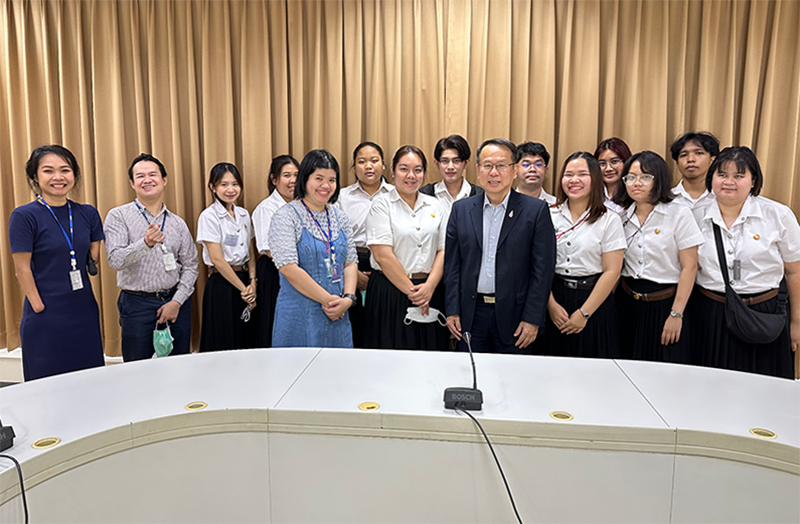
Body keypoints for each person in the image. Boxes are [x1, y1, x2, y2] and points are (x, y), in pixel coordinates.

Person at [691, 146, 800, 378]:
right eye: (722, 174)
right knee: (710, 386)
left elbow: (794, 272)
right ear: (711, 179)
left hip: (764, 314)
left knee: (762, 391)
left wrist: (796, 323)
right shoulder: (695, 215)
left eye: (739, 176)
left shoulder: (778, 215)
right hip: (711, 314)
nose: (729, 181)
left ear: (753, 181)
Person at [445, 139, 555, 354]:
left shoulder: (536, 211)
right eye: (487, 165)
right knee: (470, 379)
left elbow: (542, 271)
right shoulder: (461, 210)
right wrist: (452, 310)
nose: (493, 172)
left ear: (514, 170)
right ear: (478, 170)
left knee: (511, 382)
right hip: (471, 314)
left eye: (501, 165)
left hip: (516, 317)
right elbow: (452, 266)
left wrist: (532, 318)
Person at [9, 145, 105, 380]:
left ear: (74, 175)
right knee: (48, 387)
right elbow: (22, 270)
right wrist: (39, 306)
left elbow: (93, 256)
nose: (58, 177)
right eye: (48, 171)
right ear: (35, 176)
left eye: (65, 170)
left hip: (83, 311)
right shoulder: (24, 216)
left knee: (89, 382)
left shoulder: (88, 213)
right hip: (46, 314)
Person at [104, 153, 199, 361]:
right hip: (137, 304)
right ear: (132, 183)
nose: (147, 180)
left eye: (153, 174)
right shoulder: (118, 216)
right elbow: (116, 260)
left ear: (164, 180)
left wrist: (177, 301)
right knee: (137, 370)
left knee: (178, 367)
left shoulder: (177, 223)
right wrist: (145, 244)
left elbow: (191, 265)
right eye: (140, 176)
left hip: (176, 302)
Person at [611, 151, 703, 363]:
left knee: (663, 371)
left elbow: (690, 267)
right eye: (631, 177)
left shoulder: (679, 213)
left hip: (665, 303)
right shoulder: (621, 217)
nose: (637, 183)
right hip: (627, 301)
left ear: (658, 178)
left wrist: (676, 314)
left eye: (645, 177)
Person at [539, 151, 626, 358]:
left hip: (594, 302)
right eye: (568, 174)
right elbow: (538, 266)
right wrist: (550, 304)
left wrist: (584, 313)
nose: (574, 180)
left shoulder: (609, 219)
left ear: (594, 179)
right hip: (554, 297)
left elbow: (612, 271)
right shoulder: (548, 214)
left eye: (582, 174)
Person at [269, 149, 358, 347]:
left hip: (338, 313)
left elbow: (350, 262)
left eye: (332, 180)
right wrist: (331, 302)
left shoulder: (340, 217)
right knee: (297, 372)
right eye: (319, 178)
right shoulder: (285, 216)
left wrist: (348, 299)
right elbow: (288, 268)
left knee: (337, 373)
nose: (326, 186)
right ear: (305, 179)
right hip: (300, 313)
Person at [365, 145, 449, 350]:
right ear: (392, 171)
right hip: (391, 292)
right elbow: (382, 255)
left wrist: (428, 288)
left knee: (431, 356)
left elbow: (443, 250)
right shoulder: (381, 205)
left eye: (418, 170)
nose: (411, 175)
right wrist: (415, 294)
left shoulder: (435, 205)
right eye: (404, 169)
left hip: (431, 289)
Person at [336, 142, 393, 347]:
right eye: (362, 161)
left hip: (389, 263)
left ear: (384, 165)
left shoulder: (395, 194)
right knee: (356, 324)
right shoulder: (342, 197)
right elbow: (334, 239)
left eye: (374, 160)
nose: (369, 166)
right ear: (354, 168)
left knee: (383, 324)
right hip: (352, 261)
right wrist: (353, 273)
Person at [196, 162, 257, 351]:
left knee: (245, 336)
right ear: (213, 187)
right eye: (223, 184)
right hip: (222, 283)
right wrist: (244, 290)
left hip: (246, 281)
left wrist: (253, 281)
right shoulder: (209, 216)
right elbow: (217, 259)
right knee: (224, 338)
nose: (230, 189)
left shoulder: (243, 214)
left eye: (235, 184)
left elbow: (251, 252)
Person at [252, 154, 299, 347]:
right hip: (275, 271)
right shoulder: (267, 208)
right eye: (287, 175)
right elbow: (269, 249)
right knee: (274, 321)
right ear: (274, 179)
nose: (293, 180)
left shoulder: (301, 204)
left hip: (298, 270)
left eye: (297, 174)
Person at [420, 134, 483, 211]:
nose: (450, 167)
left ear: (466, 163)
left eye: (456, 161)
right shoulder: (424, 194)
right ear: (437, 164)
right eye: (445, 161)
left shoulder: (480, 195)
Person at [670, 132, 720, 210]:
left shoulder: (721, 198)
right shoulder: (668, 199)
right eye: (684, 155)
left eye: (699, 153)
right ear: (677, 163)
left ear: (712, 160)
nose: (690, 159)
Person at [594, 137, 632, 213]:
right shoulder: (591, 195)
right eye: (602, 163)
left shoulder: (634, 192)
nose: (608, 169)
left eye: (614, 162)